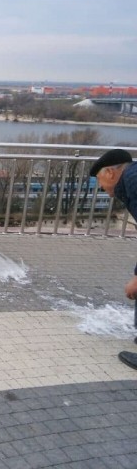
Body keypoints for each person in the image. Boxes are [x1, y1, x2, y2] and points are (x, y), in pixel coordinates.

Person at [89, 148, 137, 369]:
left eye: (100, 180)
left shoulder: (132, 181)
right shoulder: (130, 180)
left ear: (109, 173)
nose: (101, 187)